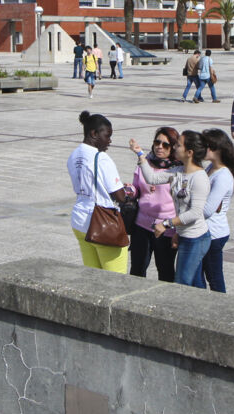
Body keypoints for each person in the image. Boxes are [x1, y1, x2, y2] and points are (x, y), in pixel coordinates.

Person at [130, 130, 211, 287]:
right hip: (184, 234)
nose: (174, 148)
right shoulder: (178, 172)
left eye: (178, 145)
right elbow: (152, 178)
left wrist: (166, 224)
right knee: (188, 281)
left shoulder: (199, 178)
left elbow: (195, 213)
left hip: (196, 238)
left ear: (189, 152)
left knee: (183, 282)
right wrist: (140, 154)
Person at [68, 111, 133, 273]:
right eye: (107, 135)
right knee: (115, 280)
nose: (109, 141)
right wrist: (130, 195)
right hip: (102, 223)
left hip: (79, 220)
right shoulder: (101, 158)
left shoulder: (74, 155)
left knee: (93, 276)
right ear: (94, 133)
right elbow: (119, 196)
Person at [195, 129, 234, 293]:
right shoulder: (210, 168)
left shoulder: (223, 176)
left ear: (217, 149)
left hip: (214, 234)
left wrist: (189, 208)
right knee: (199, 275)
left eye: (205, 146)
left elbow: (208, 209)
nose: (201, 149)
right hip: (205, 231)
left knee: (214, 278)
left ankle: (221, 310)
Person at [129, 127, 180, 282]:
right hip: (141, 225)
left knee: (165, 272)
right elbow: (136, 189)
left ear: (173, 148)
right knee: (137, 269)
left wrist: (177, 231)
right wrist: (129, 190)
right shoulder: (145, 163)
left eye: (165, 144)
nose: (160, 147)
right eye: (157, 142)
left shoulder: (177, 170)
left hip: (165, 228)